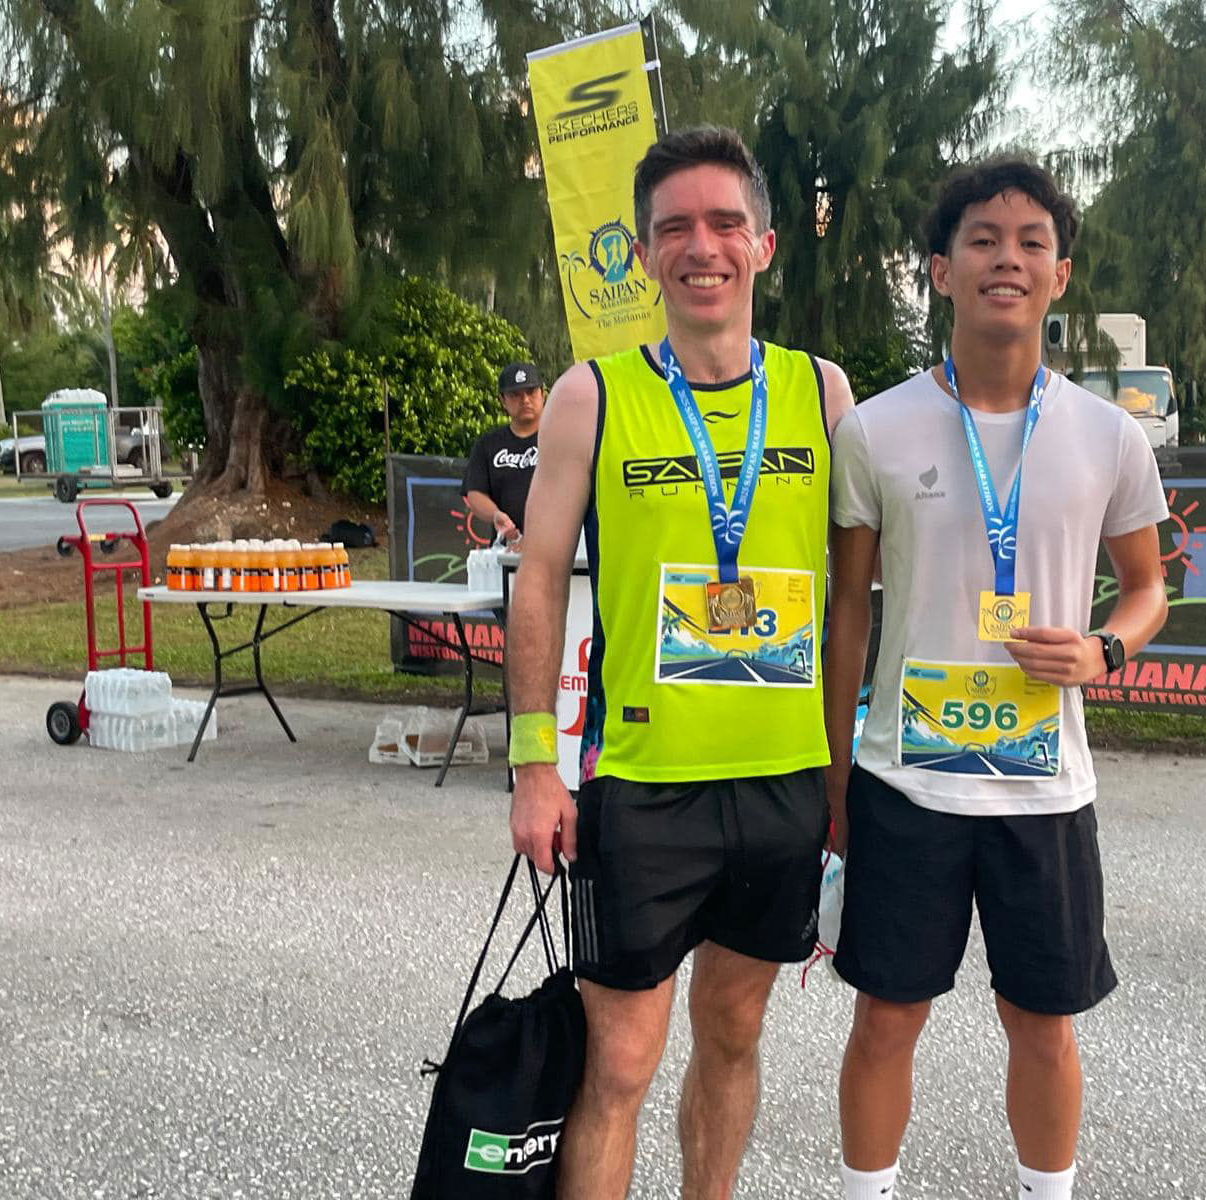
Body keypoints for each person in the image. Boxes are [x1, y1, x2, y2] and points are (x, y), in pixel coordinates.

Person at [504, 125, 854, 1199]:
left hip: (781, 783)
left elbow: (858, 601)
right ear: (644, 254)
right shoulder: (590, 395)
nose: (701, 247)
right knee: (617, 1060)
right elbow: (537, 578)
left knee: (735, 1033)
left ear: (764, 244)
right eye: (674, 229)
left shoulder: (823, 392)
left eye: (723, 224)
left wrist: (845, 781)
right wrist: (531, 763)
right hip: (643, 787)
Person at [823, 158, 1170, 1200]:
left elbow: (1147, 589)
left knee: (1044, 1022)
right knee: (887, 1017)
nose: (1005, 258)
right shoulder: (873, 429)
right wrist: (834, 769)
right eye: (981, 239)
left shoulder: (1110, 435)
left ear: (1059, 276)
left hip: (1043, 789)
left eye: (1029, 242)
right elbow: (848, 608)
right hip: (905, 782)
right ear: (938, 269)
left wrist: (1103, 648)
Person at [463, 361, 545, 549]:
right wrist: (495, 515)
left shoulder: (562, 439)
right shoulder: (488, 444)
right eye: (515, 394)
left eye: (531, 392)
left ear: (543, 394)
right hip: (507, 548)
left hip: (556, 551)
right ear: (502, 400)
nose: (525, 400)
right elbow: (475, 493)